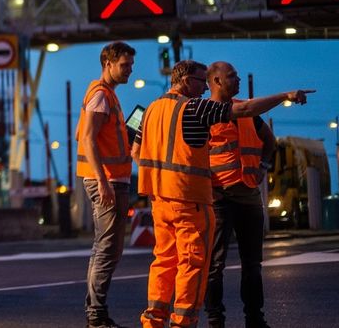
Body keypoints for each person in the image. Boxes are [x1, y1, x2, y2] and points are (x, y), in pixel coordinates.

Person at [131, 60, 311, 328]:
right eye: (200, 82)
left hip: (160, 201)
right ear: (184, 81)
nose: (204, 88)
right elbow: (246, 108)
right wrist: (285, 95)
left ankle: (153, 322)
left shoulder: (149, 111)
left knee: (164, 262)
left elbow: (135, 152)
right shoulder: (194, 108)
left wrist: (160, 179)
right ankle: (184, 323)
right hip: (191, 198)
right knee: (193, 263)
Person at [204, 62, 276, 328]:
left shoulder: (247, 112)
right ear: (217, 81)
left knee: (253, 264)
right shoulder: (205, 114)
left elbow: (270, 141)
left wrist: (263, 167)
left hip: (248, 195)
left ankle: (255, 319)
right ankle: (215, 320)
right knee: (215, 265)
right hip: (218, 198)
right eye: (232, 77)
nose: (237, 80)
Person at [77, 41, 135, 328]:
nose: (129, 70)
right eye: (124, 65)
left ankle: (96, 311)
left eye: (131, 65)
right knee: (107, 247)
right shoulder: (101, 96)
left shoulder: (109, 96)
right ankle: (96, 315)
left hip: (113, 178)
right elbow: (88, 138)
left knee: (108, 247)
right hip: (107, 180)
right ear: (108, 64)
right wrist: (102, 181)